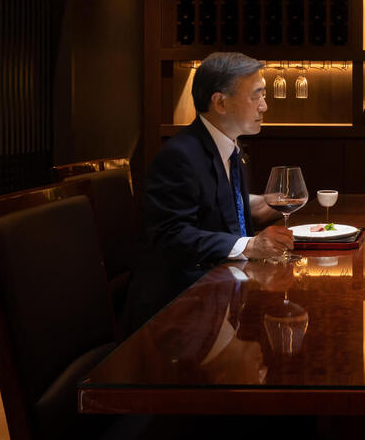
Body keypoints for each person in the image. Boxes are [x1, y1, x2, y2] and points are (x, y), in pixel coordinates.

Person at [121, 51, 293, 334]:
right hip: (179, 318)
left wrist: (267, 203)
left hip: (220, 297)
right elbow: (171, 234)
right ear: (220, 102)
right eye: (256, 96)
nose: (264, 105)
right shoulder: (180, 156)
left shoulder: (230, 148)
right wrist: (249, 246)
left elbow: (217, 204)